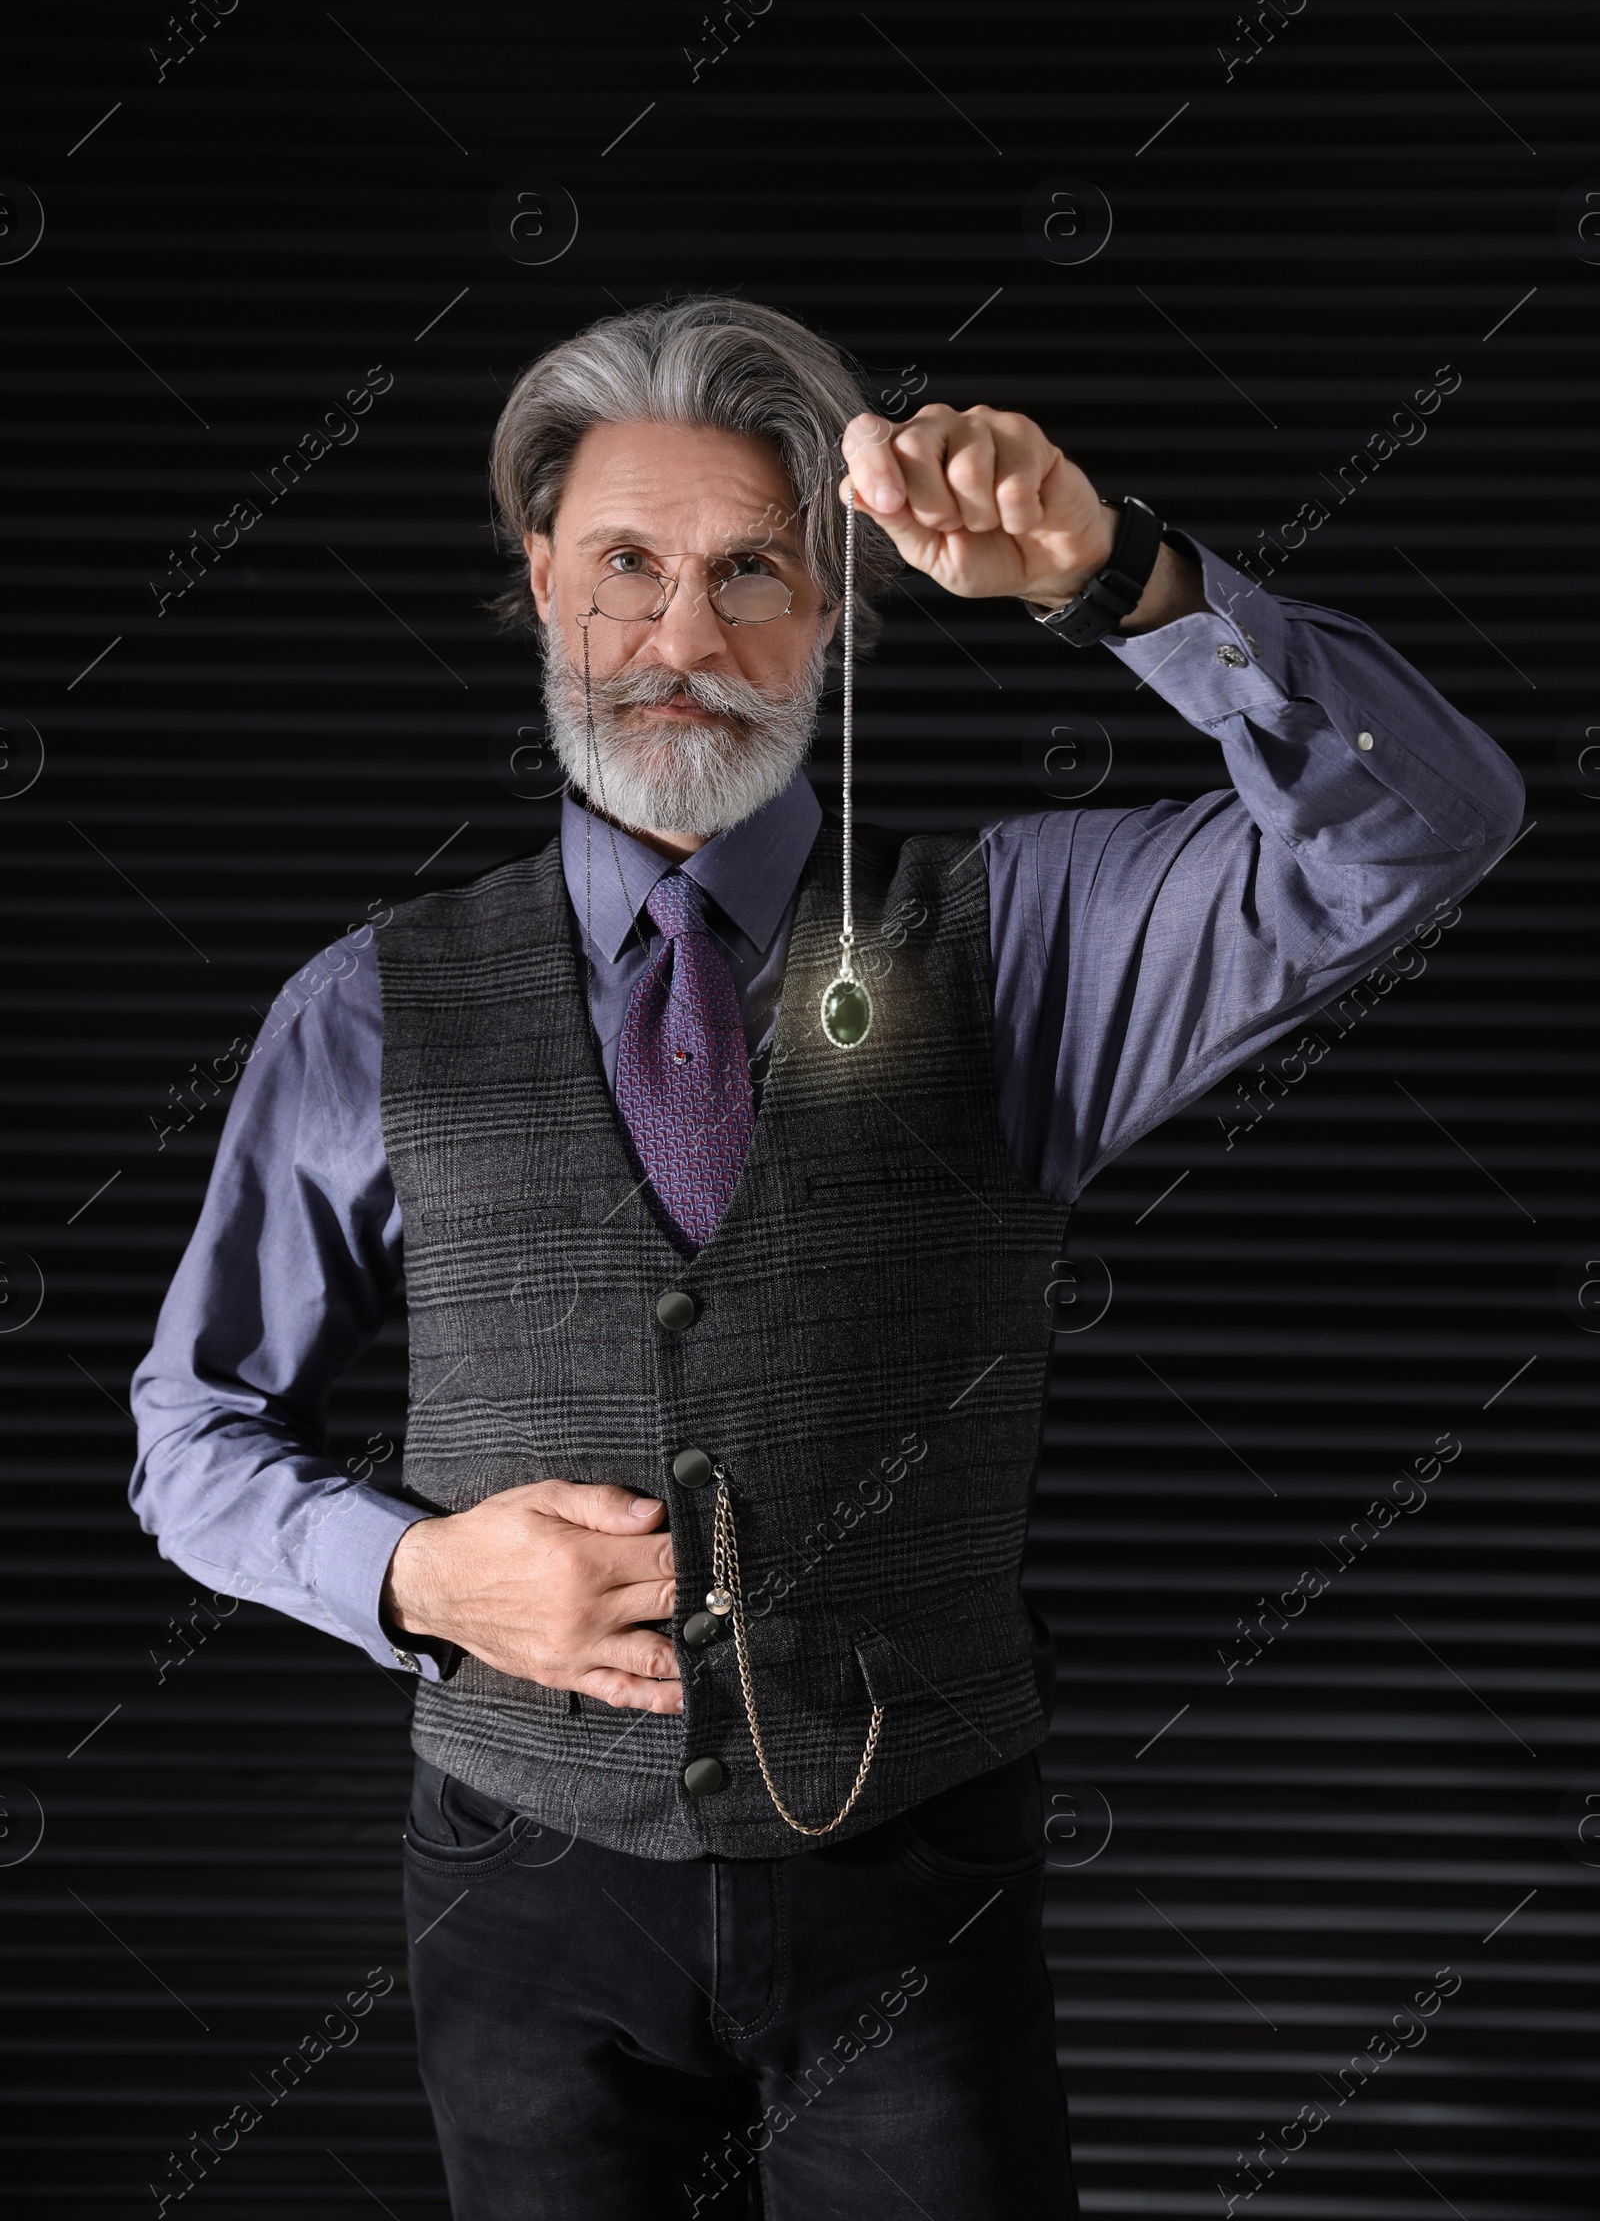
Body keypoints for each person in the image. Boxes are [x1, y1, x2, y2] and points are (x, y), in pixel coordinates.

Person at [129, 296, 1523, 2220]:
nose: (681, 641)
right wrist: (415, 1570)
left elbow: (1427, 825)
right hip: (519, 1890)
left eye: (751, 574)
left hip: (915, 1892)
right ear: (541, 580)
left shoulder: (1026, 943)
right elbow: (189, 1430)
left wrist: (1122, 578)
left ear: (837, 616)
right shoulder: (369, 1008)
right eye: (625, 565)